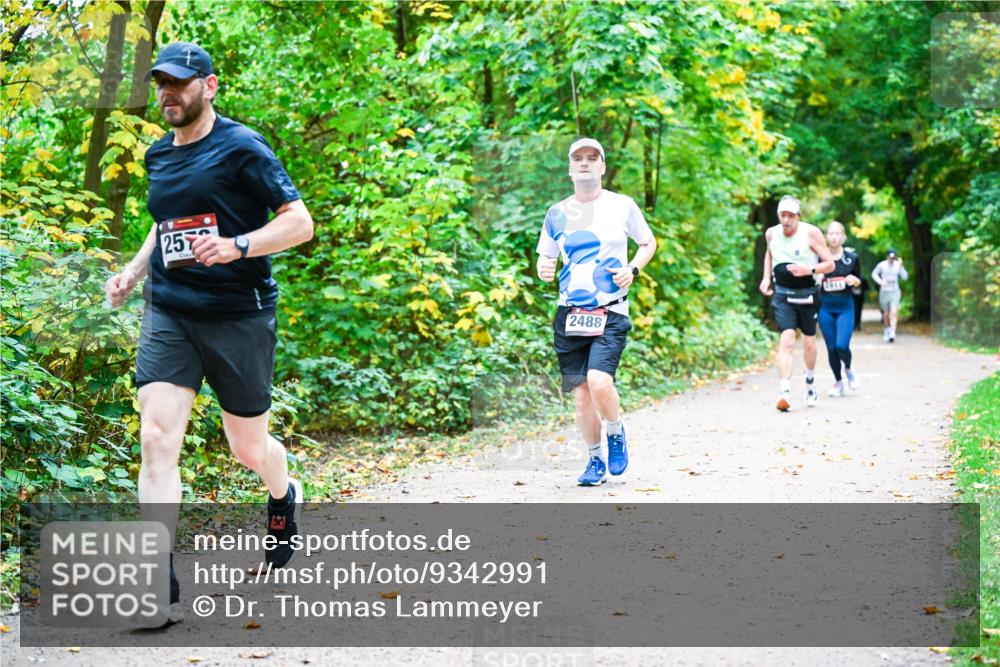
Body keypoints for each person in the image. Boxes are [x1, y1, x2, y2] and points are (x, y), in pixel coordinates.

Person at [103, 42, 314, 624]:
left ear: (209, 86)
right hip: (170, 310)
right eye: (161, 84)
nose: (168, 93)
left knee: (247, 448)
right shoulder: (157, 155)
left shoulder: (242, 147)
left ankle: (282, 493)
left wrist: (237, 245)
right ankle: (156, 587)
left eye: (180, 83)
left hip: (238, 313)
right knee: (156, 436)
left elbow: (299, 223)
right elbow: (163, 221)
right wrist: (134, 270)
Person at [535, 138, 656, 486]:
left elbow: (648, 242)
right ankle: (594, 461)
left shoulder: (622, 206)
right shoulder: (557, 212)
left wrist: (632, 269)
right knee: (581, 395)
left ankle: (615, 432)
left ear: (602, 167)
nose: (585, 163)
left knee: (599, 381)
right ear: (571, 168)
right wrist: (545, 266)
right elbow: (547, 255)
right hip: (569, 313)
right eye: (578, 159)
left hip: (611, 310)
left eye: (592, 158)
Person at [758, 196, 835, 411]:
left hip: (808, 294)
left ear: (798, 216)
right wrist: (766, 278)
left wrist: (808, 270)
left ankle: (810, 382)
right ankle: (785, 392)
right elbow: (769, 254)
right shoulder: (771, 233)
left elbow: (829, 264)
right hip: (783, 294)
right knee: (787, 339)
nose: (786, 220)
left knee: (809, 342)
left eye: (790, 215)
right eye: (782, 215)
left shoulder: (811, 233)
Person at [817, 222, 862, 396]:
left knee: (841, 345)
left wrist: (854, 280)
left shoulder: (852, 258)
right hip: (825, 307)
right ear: (827, 237)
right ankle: (837, 382)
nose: (834, 237)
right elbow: (811, 279)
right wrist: (816, 277)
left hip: (845, 307)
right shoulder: (819, 258)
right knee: (831, 348)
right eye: (831, 233)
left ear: (843, 236)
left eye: (837, 234)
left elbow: (859, 282)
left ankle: (849, 369)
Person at [871, 248, 908, 342]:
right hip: (884, 291)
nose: (891, 259)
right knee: (886, 314)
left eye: (893, 257)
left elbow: (905, 277)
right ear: (887, 256)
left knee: (894, 311)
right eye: (890, 257)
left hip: (895, 291)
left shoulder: (897, 265)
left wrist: (901, 267)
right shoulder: (882, 265)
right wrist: (880, 282)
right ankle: (887, 328)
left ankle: (892, 332)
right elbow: (874, 274)